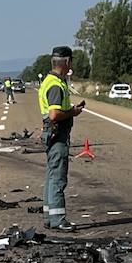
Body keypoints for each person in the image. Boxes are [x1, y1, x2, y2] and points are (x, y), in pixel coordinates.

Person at [37, 46, 86, 230]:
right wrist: (73, 112)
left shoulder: (50, 81)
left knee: (51, 175)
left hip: (52, 134)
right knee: (58, 177)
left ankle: (50, 216)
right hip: (57, 135)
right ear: (66, 62)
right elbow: (54, 114)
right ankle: (58, 219)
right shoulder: (56, 85)